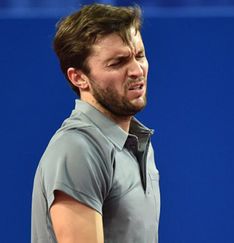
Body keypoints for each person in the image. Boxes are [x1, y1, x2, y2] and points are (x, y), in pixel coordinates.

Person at [31, 3, 160, 243]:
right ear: (79, 77)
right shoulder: (77, 149)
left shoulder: (138, 143)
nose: (136, 70)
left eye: (139, 55)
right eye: (118, 63)